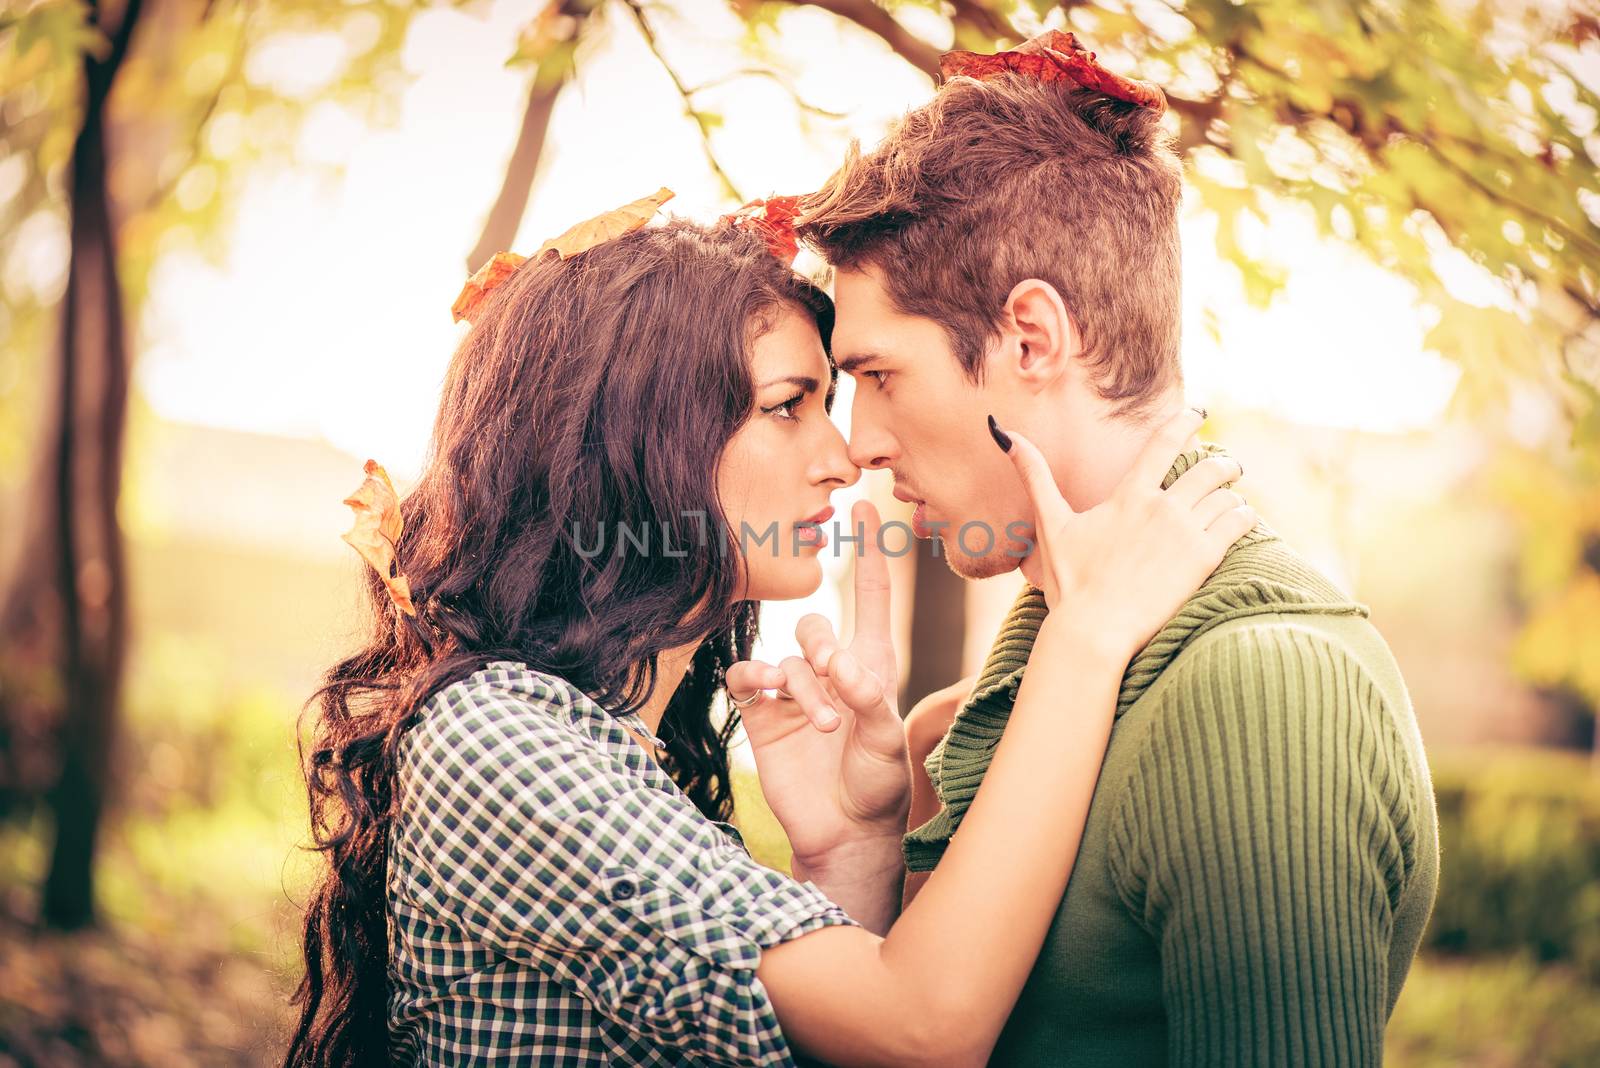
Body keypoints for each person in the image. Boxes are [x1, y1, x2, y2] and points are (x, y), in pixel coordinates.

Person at [283, 194, 1253, 1066]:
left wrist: (850, 849)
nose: (843, 458)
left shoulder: (610, 745)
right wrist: (1084, 643)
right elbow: (923, 1029)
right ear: (633, 436)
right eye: (788, 406)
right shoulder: (497, 739)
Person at [794, 30, 1442, 1066]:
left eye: (878, 376)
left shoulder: (1258, 690)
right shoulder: (1022, 686)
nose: (861, 442)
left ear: (1032, 340)